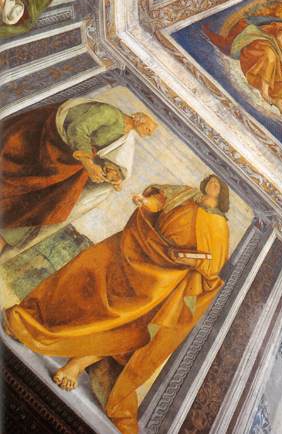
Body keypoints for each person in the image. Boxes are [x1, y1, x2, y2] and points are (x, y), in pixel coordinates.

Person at [5, 174, 230, 434]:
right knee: (82, 280)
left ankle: (76, 365)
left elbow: (212, 265)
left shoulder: (218, 223)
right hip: (136, 248)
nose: (213, 184)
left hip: (162, 278)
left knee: (129, 328)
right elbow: (158, 202)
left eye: (218, 184)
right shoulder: (186, 194)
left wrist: (193, 260)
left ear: (222, 192)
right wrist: (145, 201)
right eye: (212, 180)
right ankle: (31, 325)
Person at [0, 99, 156, 255]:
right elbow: (77, 130)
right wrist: (88, 164)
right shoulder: (110, 113)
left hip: (68, 160)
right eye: (149, 129)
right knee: (47, 193)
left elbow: (102, 153)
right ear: (139, 120)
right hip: (49, 142)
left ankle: (7, 235)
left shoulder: (125, 133)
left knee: (57, 200)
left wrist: (113, 174)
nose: (149, 134)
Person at [204, 16, 282, 132]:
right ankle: (265, 92)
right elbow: (280, 37)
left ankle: (279, 100)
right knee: (270, 56)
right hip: (259, 40)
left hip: (273, 53)